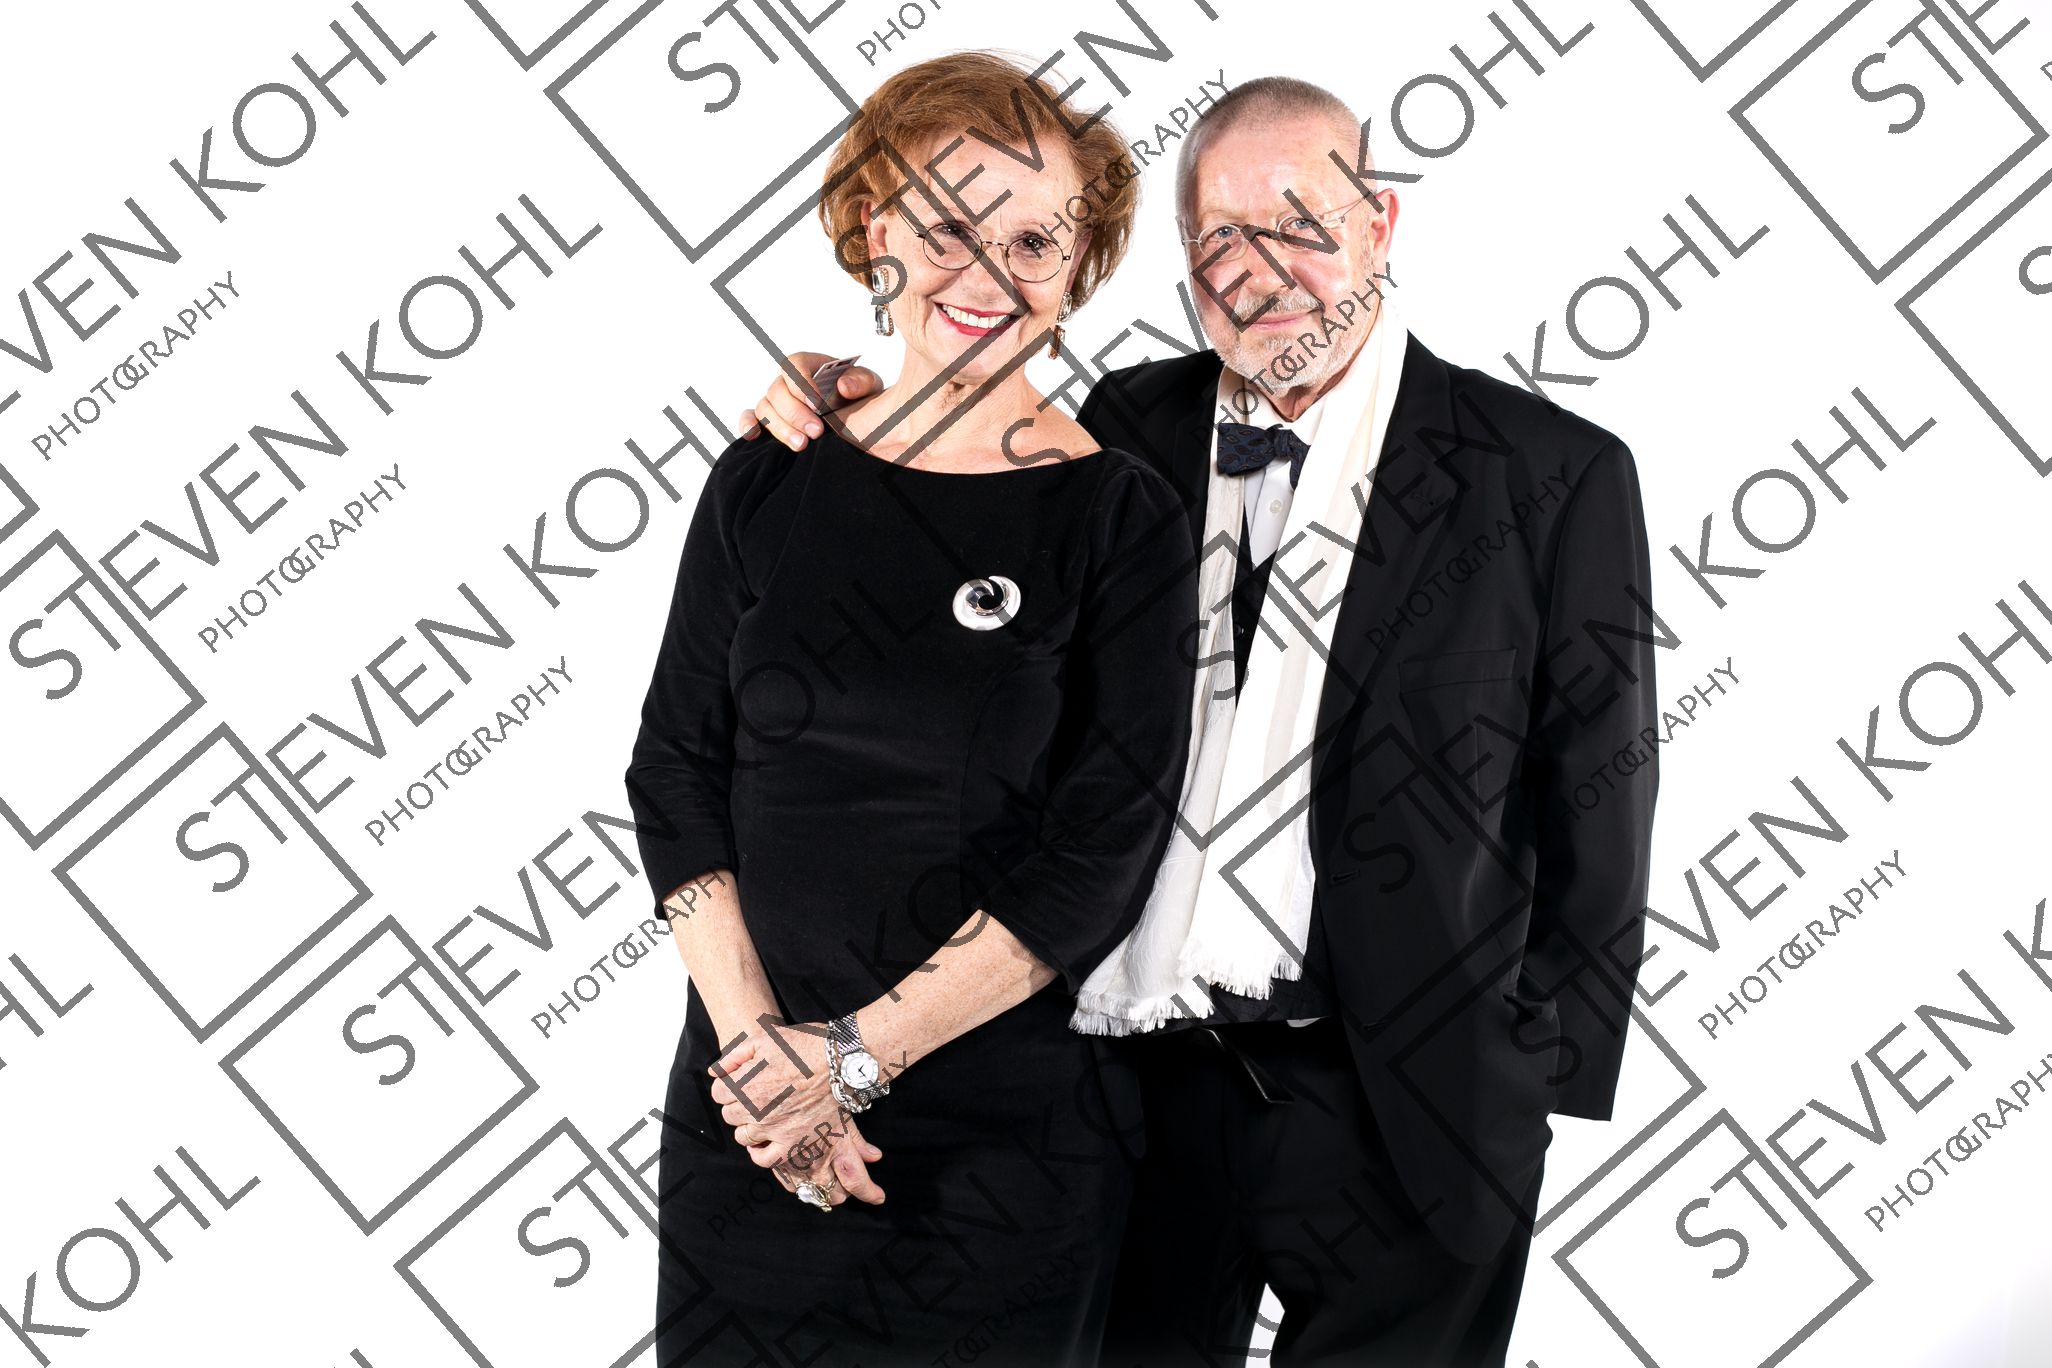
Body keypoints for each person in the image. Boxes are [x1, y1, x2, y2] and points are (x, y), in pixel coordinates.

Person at [746, 75, 1661, 1367]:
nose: (1261, 269)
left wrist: (1528, 1079)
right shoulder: (1115, 429)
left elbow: (1601, 802)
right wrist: (828, 396)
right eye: (1222, 235)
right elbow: (947, 494)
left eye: (1302, 225)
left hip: (1411, 1101)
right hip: (1128, 1090)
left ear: (1381, 225)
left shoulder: (1552, 474)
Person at [621, 51, 1197, 1368]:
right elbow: (675, 770)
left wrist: (850, 1061)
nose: (987, 272)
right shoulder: (770, 477)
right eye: (947, 226)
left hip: (996, 1147)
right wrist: (762, 1057)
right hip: (742, 1116)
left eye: (1034, 240)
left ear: (1079, 266)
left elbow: (1101, 852)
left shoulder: (1119, 517)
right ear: (875, 231)